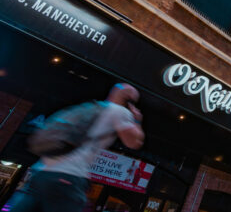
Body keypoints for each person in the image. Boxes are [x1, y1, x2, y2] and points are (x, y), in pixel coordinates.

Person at [9, 83, 145, 212]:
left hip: (40, 174)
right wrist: (137, 120)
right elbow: (134, 142)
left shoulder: (90, 107)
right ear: (129, 101)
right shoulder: (119, 112)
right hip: (68, 178)